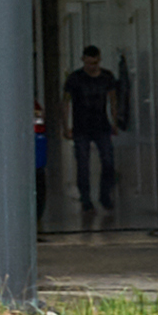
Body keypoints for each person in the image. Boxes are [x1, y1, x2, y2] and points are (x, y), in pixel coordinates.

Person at [63, 45, 127, 229]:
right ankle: (86, 199)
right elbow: (65, 103)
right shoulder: (75, 79)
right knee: (83, 164)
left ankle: (104, 196)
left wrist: (115, 122)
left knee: (108, 162)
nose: (92, 66)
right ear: (83, 60)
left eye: (96, 63)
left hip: (101, 126)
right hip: (81, 128)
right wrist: (66, 126)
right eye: (90, 63)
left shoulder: (106, 77)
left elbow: (113, 100)